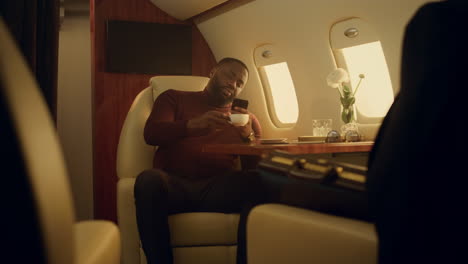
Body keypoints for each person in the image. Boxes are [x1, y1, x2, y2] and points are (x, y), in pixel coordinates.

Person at [134, 57, 266, 264]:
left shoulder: (247, 120)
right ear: (213, 72)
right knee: (148, 181)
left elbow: (252, 170)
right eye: (230, 75)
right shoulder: (173, 98)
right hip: (174, 184)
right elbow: (152, 134)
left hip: (217, 188)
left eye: (240, 83)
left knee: (259, 182)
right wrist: (191, 126)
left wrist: (247, 138)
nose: (233, 84)